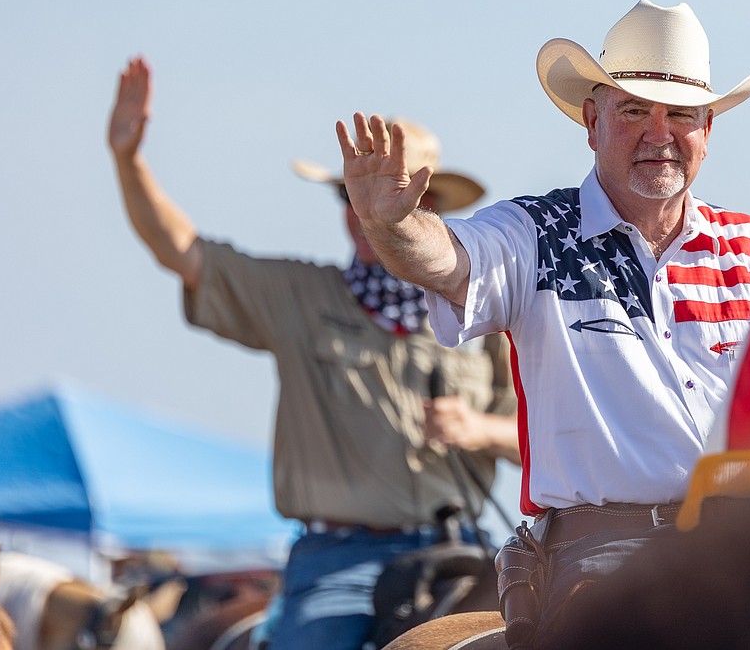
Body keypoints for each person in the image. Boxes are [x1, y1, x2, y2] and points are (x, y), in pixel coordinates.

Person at [335, 0, 750, 644]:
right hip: (613, 550)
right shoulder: (534, 232)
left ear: (708, 129)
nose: (659, 133)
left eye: (681, 115)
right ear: (593, 120)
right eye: (635, 111)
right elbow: (445, 259)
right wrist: (393, 223)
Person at [107, 57, 520, 650]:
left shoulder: (481, 308)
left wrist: (478, 428)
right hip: (341, 562)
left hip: (465, 549)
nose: (365, 210)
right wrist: (128, 160)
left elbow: (530, 436)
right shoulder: (301, 295)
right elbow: (181, 251)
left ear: (426, 206)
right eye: (353, 194)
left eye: (388, 193)